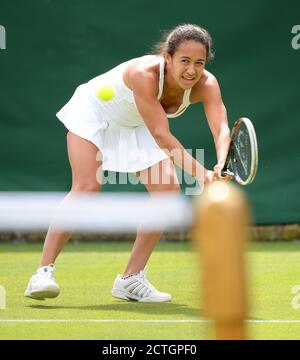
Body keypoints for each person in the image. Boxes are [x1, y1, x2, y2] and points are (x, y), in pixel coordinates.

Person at [24, 23, 232, 303]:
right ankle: (42, 272)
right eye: (184, 61)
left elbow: (221, 128)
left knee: (167, 191)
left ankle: (131, 279)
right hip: (95, 111)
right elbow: (161, 134)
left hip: (135, 122)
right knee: (86, 187)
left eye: (199, 62)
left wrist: (220, 163)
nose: (192, 70)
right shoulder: (143, 74)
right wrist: (201, 174)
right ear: (167, 57)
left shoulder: (207, 84)